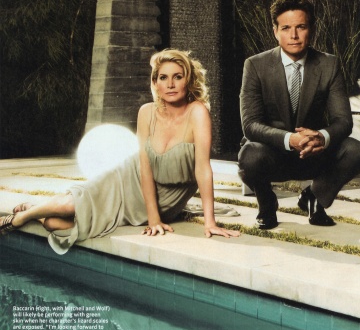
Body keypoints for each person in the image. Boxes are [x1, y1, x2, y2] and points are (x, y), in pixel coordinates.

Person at [0, 49, 240, 253]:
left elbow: (203, 169)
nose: (170, 84)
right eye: (163, 77)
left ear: (188, 80)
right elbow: (144, 167)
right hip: (127, 180)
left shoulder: (197, 112)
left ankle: (32, 210)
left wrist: (210, 222)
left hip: (168, 199)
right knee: (68, 206)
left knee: (54, 224)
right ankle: (20, 217)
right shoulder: (146, 112)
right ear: (155, 83)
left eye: (178, 77)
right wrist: (153, 218)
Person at [238, 0, 360, 230]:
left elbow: (343, 121)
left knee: (355, 150)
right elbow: (250, 125)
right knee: (249, 155)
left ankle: (314, 198)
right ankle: (266, 204)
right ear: (275, 31)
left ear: (312, 29)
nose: (294, 35)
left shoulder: (329, 64)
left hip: (312, 153)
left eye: (301, 27)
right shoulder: (255, 65)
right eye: (286, 28)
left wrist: (321, 137)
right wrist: (290, 139)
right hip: (272, 154)